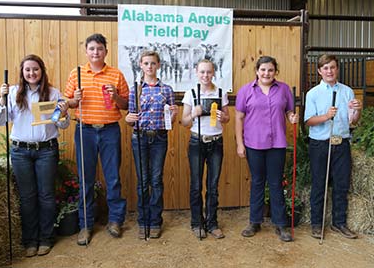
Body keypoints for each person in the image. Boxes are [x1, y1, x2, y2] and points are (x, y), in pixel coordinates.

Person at [0, 54, 70, 257]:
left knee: (46, 196)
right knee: (27, 197)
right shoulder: (13, 93)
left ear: (41, 71)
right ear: (22, 72)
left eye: (35, 69)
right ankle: (29, 241)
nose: (31, 73)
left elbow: (63, 124)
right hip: (20, 152)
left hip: (46, 150)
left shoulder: (52, 93)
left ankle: (46, 238)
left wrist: (62, 113)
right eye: (28, 70)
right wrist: (1, 98)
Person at [65, 33, 129, 245]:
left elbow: (126, 105)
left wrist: (115, 97)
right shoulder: (77, 74)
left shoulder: (116, 75)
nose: (95, 52)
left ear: (106, 52)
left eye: (99, 49)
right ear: (86, 51)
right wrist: (75, 99)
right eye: (91, 48)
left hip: (110, 130)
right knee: (86, 179)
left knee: (113, 178)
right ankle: (86, 225)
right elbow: (69, 103)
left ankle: (115, 220)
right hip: (85, 130)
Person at [235, 56, 298, 242]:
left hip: (277, 143)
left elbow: (288, 112)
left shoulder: (284, 89)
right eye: (263, 70)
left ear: (275, 71)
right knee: (257, 182)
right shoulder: (246, 90)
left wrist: (292, 117)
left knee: (276, 183)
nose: (266, 73)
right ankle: (255, 221)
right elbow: (238, 118)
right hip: (253, 143)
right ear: (257, 71)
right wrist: (240, 143)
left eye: (270, 70)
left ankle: (280, 224)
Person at [304, 54, 362, 240]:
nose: (329, 71)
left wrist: (357, 111)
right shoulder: (313, 93)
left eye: (333, 67)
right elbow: (309, 121)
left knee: (341, 185)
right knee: (319, 184)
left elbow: (353, 121)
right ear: (320, 71)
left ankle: (339, 223)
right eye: (326, 68)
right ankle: (316, 224)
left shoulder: (347, 91)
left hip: (342, 143)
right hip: (320, 144)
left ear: (337, 69)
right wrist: (326, 116)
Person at [125, 51, 178, 239]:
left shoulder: (167, 90)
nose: (149, 66)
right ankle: (143, 221)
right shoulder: (135, 90)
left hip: (159, 138)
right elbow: (131, 118)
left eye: (153, 63)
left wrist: (173, 113)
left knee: (156, 180)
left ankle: (155, 221)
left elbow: (170, 119)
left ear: (158, 65)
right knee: (143, 181)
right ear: (140, 65)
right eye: (146, 63)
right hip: (139, 137)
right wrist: (127, 118)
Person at [181, 59, 230, 239]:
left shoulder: (220, 92)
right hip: (196, 141)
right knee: (195, 185)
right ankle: (196, 223)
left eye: (209, 72)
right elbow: (184, 122)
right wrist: (193, 113)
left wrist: (223, 116)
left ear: (214, 72)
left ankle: (212, 223)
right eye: (202, 72)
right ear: (196, 72)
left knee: (213, 185)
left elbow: (227, 119)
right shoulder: (191, 93)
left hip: (216, 142)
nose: (205, 75)